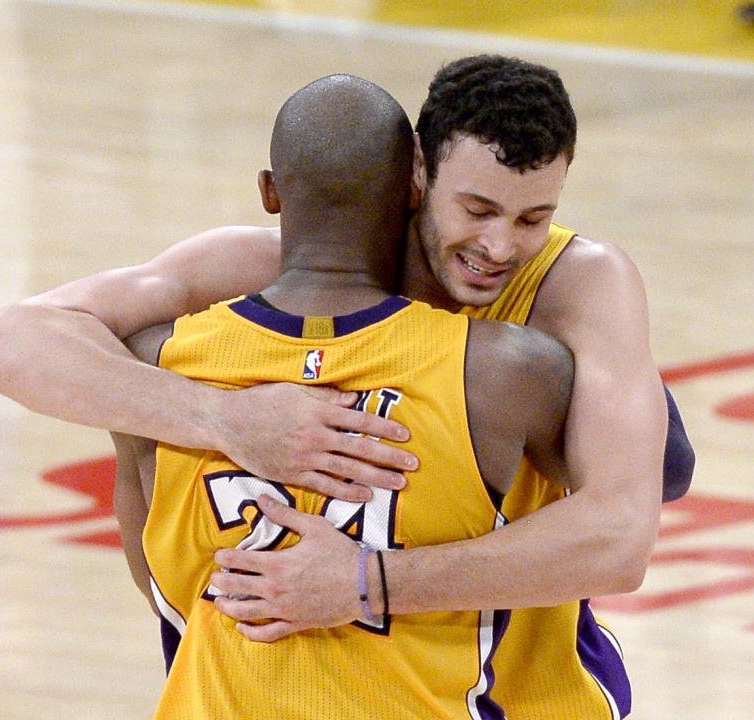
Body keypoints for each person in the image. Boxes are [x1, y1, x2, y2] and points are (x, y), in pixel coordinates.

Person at [0, 55, 689, 717]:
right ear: (415, 174)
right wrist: (224, 418)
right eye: (476, 210)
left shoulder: (573, 283)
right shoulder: (253, 268)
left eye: (533, 218)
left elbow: (621, 537)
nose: (499, 248)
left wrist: (363, 583)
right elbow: (6, 341)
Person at [129, 73, 587, 719]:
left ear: (269, 192)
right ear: (414, 187)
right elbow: (647, 488)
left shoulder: (157, 360)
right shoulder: (509, 372)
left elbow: (163, 591)